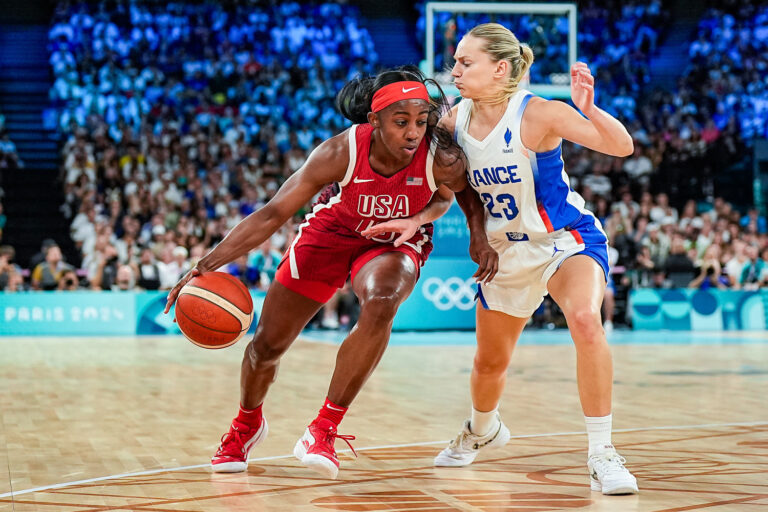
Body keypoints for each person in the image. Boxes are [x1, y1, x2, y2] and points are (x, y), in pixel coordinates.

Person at [164, 66, 496, 479]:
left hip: (393, 240)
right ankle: (246, 424)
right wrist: (205, 264)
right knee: (266, 347)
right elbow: (273, 214)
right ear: (373, 121)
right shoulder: (339, 152)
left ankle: (324, 427)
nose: (414, 132)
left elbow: (460, 193)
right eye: (401, 122)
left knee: (383, 299)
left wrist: (469, 234)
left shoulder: (440, 156)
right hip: (330, 235)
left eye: (421, 121)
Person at [367, 24, 638, 495]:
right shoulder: (452, 123)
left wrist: (590, 109)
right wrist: (419, 219)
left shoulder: (538, 115)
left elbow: (622, 146)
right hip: (504, 252)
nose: (454, 70)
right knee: (489, 364)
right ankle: (482, 428)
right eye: (454, 61)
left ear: (500, 69)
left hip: (563, 240)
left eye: (465, 62)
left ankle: (602, 453)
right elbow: (449, 190)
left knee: (584, 319)